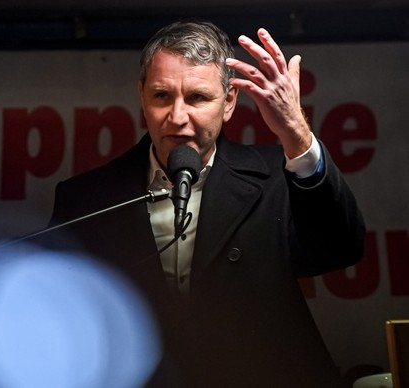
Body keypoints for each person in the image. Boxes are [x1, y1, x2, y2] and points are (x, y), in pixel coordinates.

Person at [46, 20, 365, 387]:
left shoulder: (277, 177)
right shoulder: (86, 199)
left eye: (198, 98)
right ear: (142, 97)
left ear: (229, 102)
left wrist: (297, 135)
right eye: (162, 96)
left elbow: (341, 249)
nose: (177, 117)